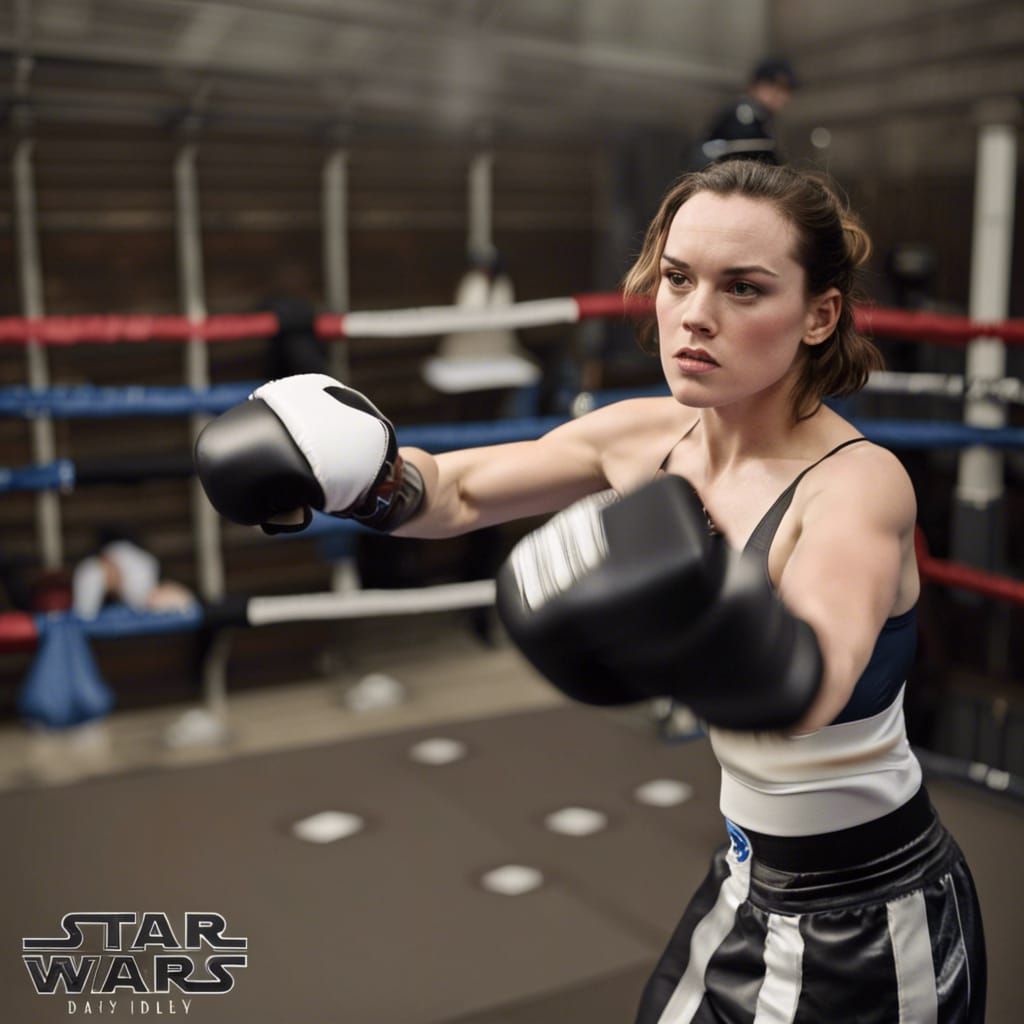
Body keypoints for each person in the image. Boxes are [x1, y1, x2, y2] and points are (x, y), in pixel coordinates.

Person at [193, 159, 985, 1022]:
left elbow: (810, 680)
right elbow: (455, 489)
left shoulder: (858, 484)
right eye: (678, 278)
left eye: (744, 289)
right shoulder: (646, 434)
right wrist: (354, 475)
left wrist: (677, 616)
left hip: (870, 918)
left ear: (819, 315)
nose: (695, 314)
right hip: (748, 879)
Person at [692, 57, 799, 169]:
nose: (783, 97)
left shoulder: (761, 118)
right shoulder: (743, 115)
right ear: (756, 86)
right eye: (776, 88)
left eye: (787, 90)